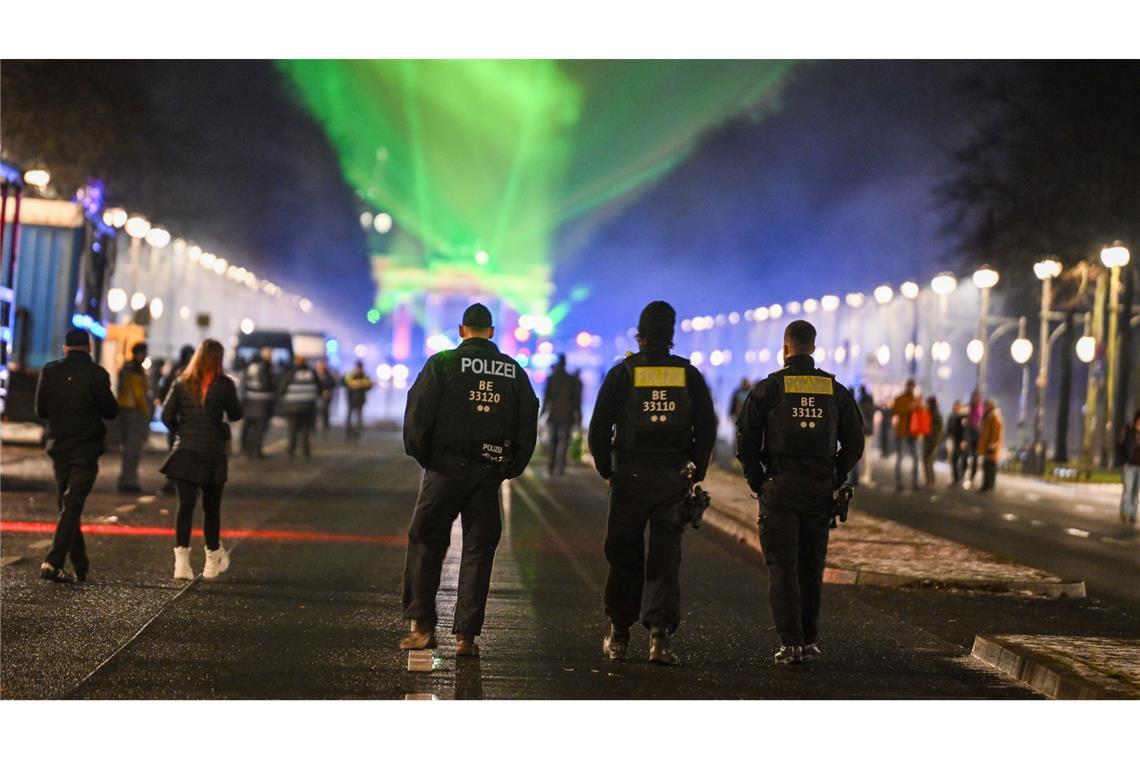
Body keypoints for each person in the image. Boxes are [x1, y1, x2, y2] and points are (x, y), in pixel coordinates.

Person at [400, 303, 539, 657]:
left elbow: (417, 413)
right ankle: (466, 637)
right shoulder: (513, 371)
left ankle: (421, 627)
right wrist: (510, 467)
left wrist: (427, 458)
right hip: (487, 473)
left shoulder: (443, 363)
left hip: (444, 470)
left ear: (462, 330)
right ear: (491, 332)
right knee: (479, 550)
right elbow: (528, 421)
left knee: (426, 540)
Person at [588, 301, 717, 666]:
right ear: (671, 336)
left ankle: (619, 634)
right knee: (665, 557)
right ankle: (659, 639)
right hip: (673, 478)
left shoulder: (623, 373)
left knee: (623, 553)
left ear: (640, 336)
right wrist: (697, 468)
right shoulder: (688, 375)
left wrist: (606, 470)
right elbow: (706, 427)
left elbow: (599, 428)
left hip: (629, 476)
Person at [736, 319, 864, 665]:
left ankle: (789, 643)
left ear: (785, 348)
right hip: (819, 489)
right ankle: (808, 641)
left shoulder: (770, 388)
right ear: (813, 347)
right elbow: (855, 439)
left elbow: (745, 436)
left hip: (779, 486)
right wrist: (835, 474)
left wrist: (757, 481)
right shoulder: (834, 390)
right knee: (810, 566)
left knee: (782, 566)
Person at [34, 328, 120, 583]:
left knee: (68, 505)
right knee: (71, 504)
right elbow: (111, 411)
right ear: (89, 348)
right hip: (86, 447)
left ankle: (81, 565)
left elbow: (41, 410)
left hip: (59, 446)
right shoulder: (97, 374)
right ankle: (53, 562)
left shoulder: (49, 371)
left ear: (65, 348)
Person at [160, 339, 243, 580]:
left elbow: (166, 415)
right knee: (211, 508)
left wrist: (181, 430)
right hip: (212, 453)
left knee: (184, 507)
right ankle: (210, 562)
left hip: (185, 452)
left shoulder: (181, 382)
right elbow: (236, 414)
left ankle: (181, 564)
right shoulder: (224, 384)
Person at [158, 344, 196, 496]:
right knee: (188, 454)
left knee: (174, 453)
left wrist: (170, 420)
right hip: (187, 422)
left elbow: (164, 394)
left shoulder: (176, 373)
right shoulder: (194, 374)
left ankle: (172, 483)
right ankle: (185, 483)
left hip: (177, 420)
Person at [116, 341, 153, 494]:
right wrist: (146, 410)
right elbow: (139, 395)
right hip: (134, 413)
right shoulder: (135, 370)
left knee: (128, 450)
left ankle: (126, 480)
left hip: (126, 411)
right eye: (143, 353)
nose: (144, 356)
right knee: (133, 450)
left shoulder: (126, 368)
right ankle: (129, 481)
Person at [541, 353, 582, 478]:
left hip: (554, 414)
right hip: (568, 415)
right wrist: (578, 415)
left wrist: (543, 413)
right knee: (564, 442)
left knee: (553, 441)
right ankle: (561, 469)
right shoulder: (571, 380)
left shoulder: (551, 378)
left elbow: (547, 397)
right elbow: (576, 399)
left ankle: (551, 468)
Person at [278, 355, 320, 459]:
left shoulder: (291, 372)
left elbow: (282, 388)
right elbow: (319, 387)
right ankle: (306, 451)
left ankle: (291, 450)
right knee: (305, 429)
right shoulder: (312, 372)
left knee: (292, 429)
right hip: (308, 406)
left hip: (293, 406)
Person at [239, 347, 276, 458]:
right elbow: (267, 384)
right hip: (262, 402)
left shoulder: (249, 367)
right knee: (260, 428)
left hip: (250, 402)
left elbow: (244, 384)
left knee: (249, 427)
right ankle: (257, 451)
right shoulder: (265, 367)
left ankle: (247, 450)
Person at [891, 380, 920, 492]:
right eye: (910, 386)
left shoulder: (916, 399)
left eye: (913, 386)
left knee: (916, 457)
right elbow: (895, 410)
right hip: (902, 432)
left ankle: (915, 482)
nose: (911, 388)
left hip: (913, 432)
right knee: (900, 457)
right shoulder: (900, 398)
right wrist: (909, 408)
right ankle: (899, 482)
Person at [976, 399, 1004, 493]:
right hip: (988, 446)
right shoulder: (990, 415)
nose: (984, 408)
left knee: (989, 467)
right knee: (987, 466)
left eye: (986, 406)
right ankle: (987, 485)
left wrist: (992, 445)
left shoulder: (994, 416)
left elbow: (996, 433)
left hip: (991, 447)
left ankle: (988, 486)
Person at [1119, 411, 1140, 525]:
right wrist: (1124, 460)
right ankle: (1124, 512)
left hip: (1139, 466)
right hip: (1129, 465)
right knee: (1128, 489)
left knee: (1136, 491)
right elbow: (1122, 445)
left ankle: (1133, 514)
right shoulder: (1129, 430)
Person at [344, 360, 374, 439]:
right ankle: (348, 432)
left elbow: (370, 384)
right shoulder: (350, 375)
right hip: (351, 399)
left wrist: (359, 383)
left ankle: (358, 432)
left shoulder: (365, 376)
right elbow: (346, 383)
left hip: (360, 400)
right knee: (350, 416)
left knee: (359, 417)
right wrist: (359, 384)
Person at [921, 396, 943, 491]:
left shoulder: (936, 414)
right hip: (928, 439)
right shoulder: (928, 412)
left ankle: (931, 482)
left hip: (933, 440)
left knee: (928, 461)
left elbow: (940, 430)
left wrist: (937, 443)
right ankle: (928, 481)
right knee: (926, 461)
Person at [963, 390, 984, 488]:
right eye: (974, 396)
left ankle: (972, 477)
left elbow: (981, 421)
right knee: (965, 455)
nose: (975, 399)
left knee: (975, 457)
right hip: (968, 433)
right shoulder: (969, 407)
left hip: (977, 434)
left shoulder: (980, 408)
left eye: (977, 397)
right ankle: (962, 474)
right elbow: (964, 418)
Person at [856, 385, 876, 485]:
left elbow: (862, 419)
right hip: (869, 431)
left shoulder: (861, 403)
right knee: (867, 455)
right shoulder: (871, 404)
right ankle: (867, 475)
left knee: (864, 455)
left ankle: (864, 476)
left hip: (864, 431)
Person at [946, 401, 969, 485]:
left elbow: (965, 430)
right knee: (954, 459)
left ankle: (960, 476)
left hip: (962, 441)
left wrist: (964, 440)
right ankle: (956, 478)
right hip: (955, 440)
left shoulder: (964, 417)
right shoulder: (952, 416)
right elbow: (949, 428)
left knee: (962, 459)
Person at [314, 358, 338, 434]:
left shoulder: (328, 375)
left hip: (326, 396)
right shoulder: (314, 375)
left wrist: (328, 391)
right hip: (316, 396)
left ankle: (325, 426)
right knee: (316, 411)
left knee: (325, 411)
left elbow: (332, 384)